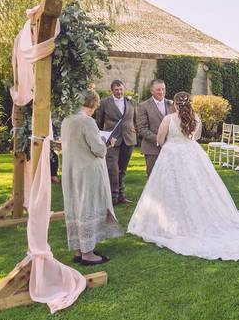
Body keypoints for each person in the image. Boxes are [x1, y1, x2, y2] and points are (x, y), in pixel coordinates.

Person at [127, 92, 239, 259]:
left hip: (171, 154)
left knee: (171, 187)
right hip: (191, 153)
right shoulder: (196, 118)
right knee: (197, 185)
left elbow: (160, 138)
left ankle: (166, 223)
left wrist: (170, 143)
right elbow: (197, 137)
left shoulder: (168, 119)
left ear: (175, 104)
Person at [61, 91, 124, 265]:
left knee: (75, 205)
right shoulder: (87, 121)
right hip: (87, 171)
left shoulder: (67, 119)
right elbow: (98, 149)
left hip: (71, 169)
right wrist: (108, 143)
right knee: (87, 206)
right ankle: (88, 253)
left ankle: (78, 249)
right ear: (95, 103)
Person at [94, 79, 139, 205]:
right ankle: (112, 197)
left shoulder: (131, 102)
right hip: (111, 141)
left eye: (121, 89)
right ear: (112, 90)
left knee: (122, 169)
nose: (119, 92)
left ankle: (121, 196)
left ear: (124, 89)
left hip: (128, 139)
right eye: (116, 90)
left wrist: (134, 132)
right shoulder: (104, 103)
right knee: (112, 169)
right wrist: (101, 138)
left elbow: (135, 120)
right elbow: (99, 122)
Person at [137, 79, 175, 177]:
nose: (161, 92)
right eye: (158, 90)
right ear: (152, 91)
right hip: (152, 149)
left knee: (169, 177)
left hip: (171, 149)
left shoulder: (171, 104)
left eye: (163, 89)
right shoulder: (143, 106)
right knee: (153, 178)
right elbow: (142, 129)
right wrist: (160, 140)